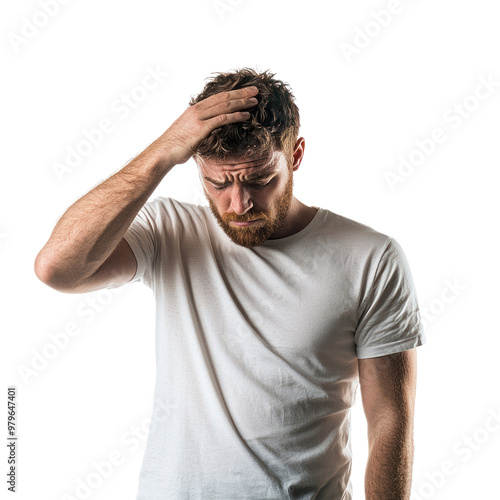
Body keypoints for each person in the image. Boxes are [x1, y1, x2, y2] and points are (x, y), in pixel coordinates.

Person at [34, 67, 426, 499]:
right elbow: (57, 268)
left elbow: (390, 419)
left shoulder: (371, 257)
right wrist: (164, 150)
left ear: (295, 155)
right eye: (217, 182)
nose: (238, 204)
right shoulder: (169, 229)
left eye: (259, 180)